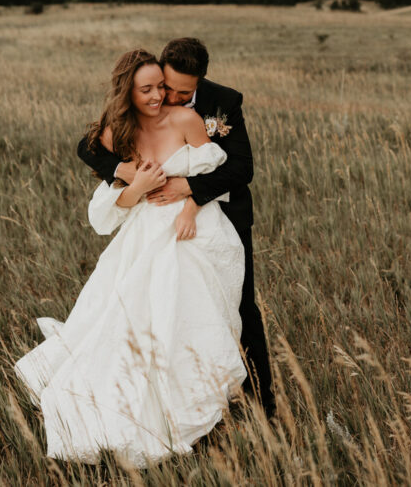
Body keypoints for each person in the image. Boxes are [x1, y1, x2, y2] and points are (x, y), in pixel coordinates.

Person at [15, 49, 248, 466]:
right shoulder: (117, 135)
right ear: (128, 92)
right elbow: (107, 211)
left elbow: (214, 174)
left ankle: (200, 410)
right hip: (144, 235)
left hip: (193, 228)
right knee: (131, 320)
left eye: (161, 86)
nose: (159, 96)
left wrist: (191, 204)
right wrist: (136, 184)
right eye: (148, 89)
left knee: (193, 316)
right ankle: (132, 410)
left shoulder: (188, 120)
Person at [77, 38, 275, 419]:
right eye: (166, 87)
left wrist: (190, 190)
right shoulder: (145, 99)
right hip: (152, 222)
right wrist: (124, 173)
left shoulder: (224, 102)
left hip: (222, 216)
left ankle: (260, 403)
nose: (172, 97)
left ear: (199, 81)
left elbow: (240, 168)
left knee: (238, 307)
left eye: (184, 92)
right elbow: (88, 148)